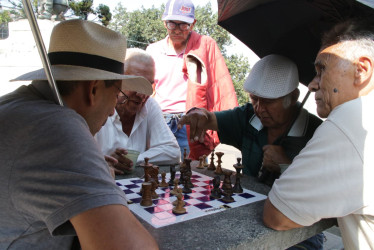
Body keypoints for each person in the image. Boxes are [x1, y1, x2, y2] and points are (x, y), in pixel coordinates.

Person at [0, 20, 158, 249]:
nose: (114, 109)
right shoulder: (56, 127)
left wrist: (88, 167)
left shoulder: (13, 106)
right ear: (93, 89)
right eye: (116, 94)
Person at [178, 54, 324, 249]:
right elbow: (208, 118)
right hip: (250, 214)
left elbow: (321, 194)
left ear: (294, 97)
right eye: (255, 99)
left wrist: (285, 166)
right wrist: (197, 113)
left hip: (298, 228)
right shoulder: (248, 116)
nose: (259, 109)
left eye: (268, 102)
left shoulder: (318, 133)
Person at [263, 18, 374, 249]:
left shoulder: (354, 118)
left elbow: (277, 215)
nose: (313, 84)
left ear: (361, 70)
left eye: (322, 69)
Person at [146, 0, 238, 161]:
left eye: (184, 25)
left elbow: (220, 86)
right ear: (164, 23)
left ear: (193, 24)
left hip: (188, 123)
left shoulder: (204, 46)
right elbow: (147, 90)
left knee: (189, 174)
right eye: (171, 24)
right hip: (160, 121)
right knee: (155, 170)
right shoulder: (152, 50)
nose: (177, 30)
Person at [96, 48, 181, 174]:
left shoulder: (150, 105)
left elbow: (172, 151)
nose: (142, 94)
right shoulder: (96, 106)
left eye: (148, 86)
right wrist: (104, 162)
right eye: (136, 83)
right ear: (118, 80)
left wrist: (134, 160)